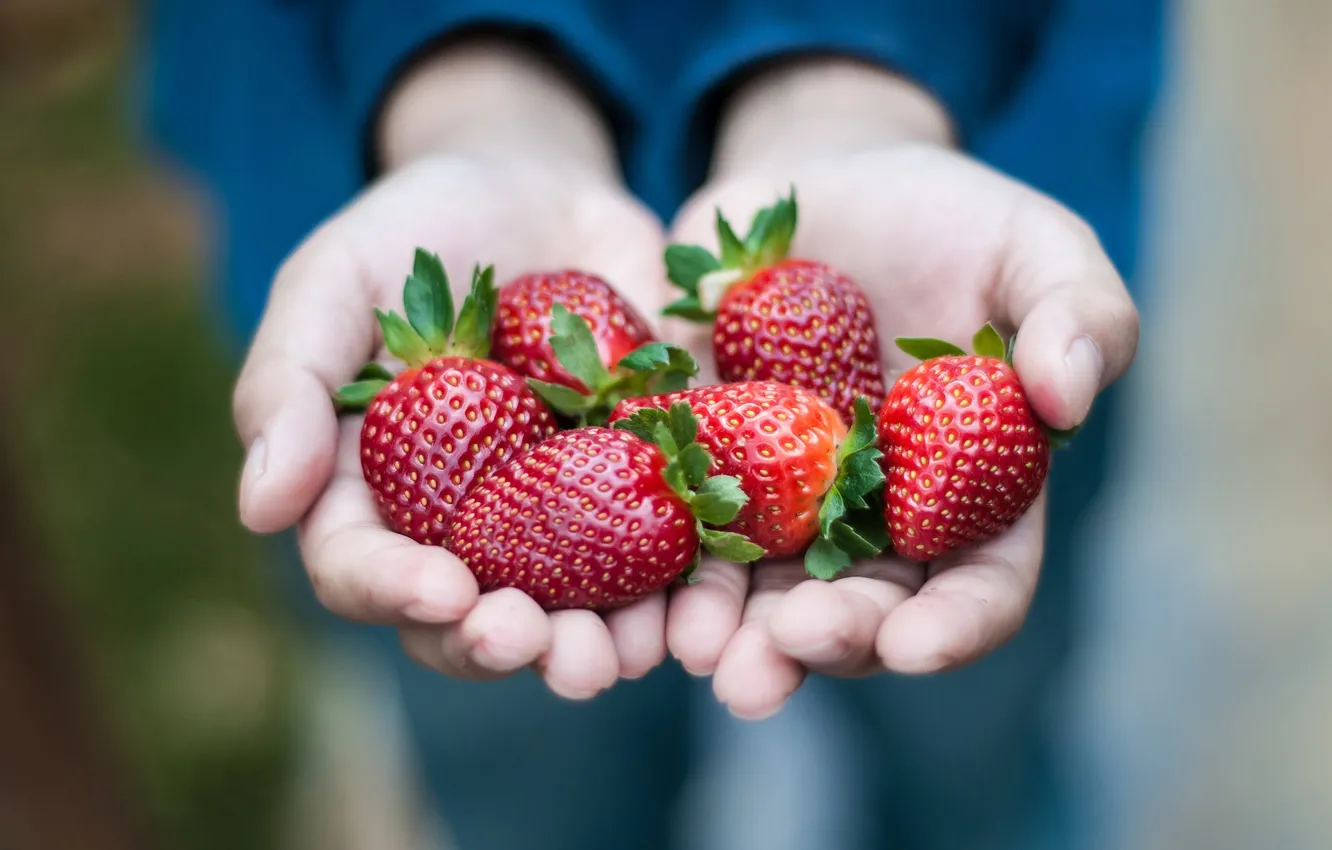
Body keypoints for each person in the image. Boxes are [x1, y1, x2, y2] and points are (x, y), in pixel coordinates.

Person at [142, 1, 1163, 847]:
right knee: (528, 778)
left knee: (972, 752)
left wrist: (855, 76)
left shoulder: (931, 406)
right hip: (361, 123)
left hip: (960, 186)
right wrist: (475, 90)